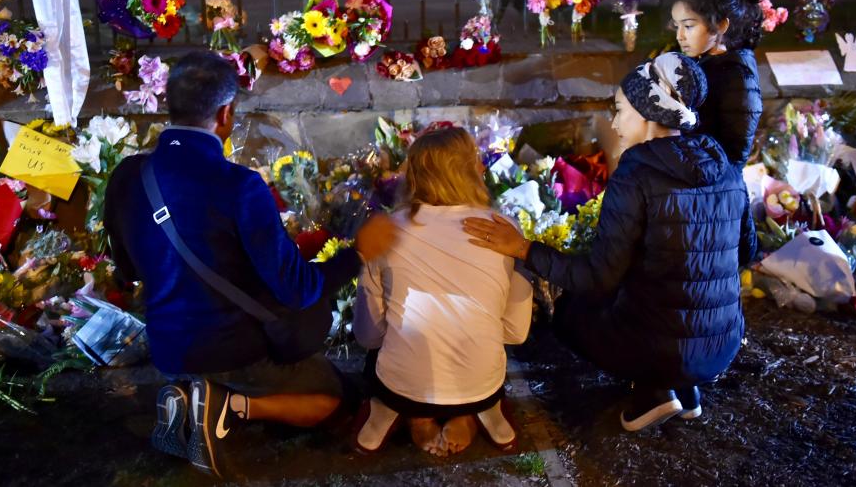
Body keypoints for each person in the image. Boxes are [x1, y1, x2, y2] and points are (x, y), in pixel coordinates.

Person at [104, 52, 395, 478]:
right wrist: (359, 253)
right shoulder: (239, 186)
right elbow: (298, 289)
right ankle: (231, 405)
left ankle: (187, 396)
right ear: (226, 113)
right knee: (343, 400)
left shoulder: (128, 175)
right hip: (235, 350)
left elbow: (127, 270)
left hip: (167, 346)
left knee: (208, 366)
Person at [463, 53, 754, 432]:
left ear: (649, 114)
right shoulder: (727, 167)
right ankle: (685, 388)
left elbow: (598, 277)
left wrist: (524, 249)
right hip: (723, 343)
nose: (615, 124)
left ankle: (654, 393)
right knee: (664, 302)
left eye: (620, 110)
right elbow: (747, 252)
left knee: (571, 313)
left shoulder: (637, 174)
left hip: (658, 348)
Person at [352, 127, 532, 456]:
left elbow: (367, 335)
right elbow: (516, 333)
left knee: (386, 341)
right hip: (482, 386)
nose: (482, 167)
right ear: (467, 171)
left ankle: (416, 416)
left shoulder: (386, 230)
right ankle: (467, 411)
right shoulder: (504, 230)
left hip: (400, 386)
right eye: (476, 161)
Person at [671, 0, 764, 168]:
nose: (680, 36)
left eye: (688, 26)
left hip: (712, 187)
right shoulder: (704, 61)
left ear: (721, 25)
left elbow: (734, 154)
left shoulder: (737, 76)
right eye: (676, 25)